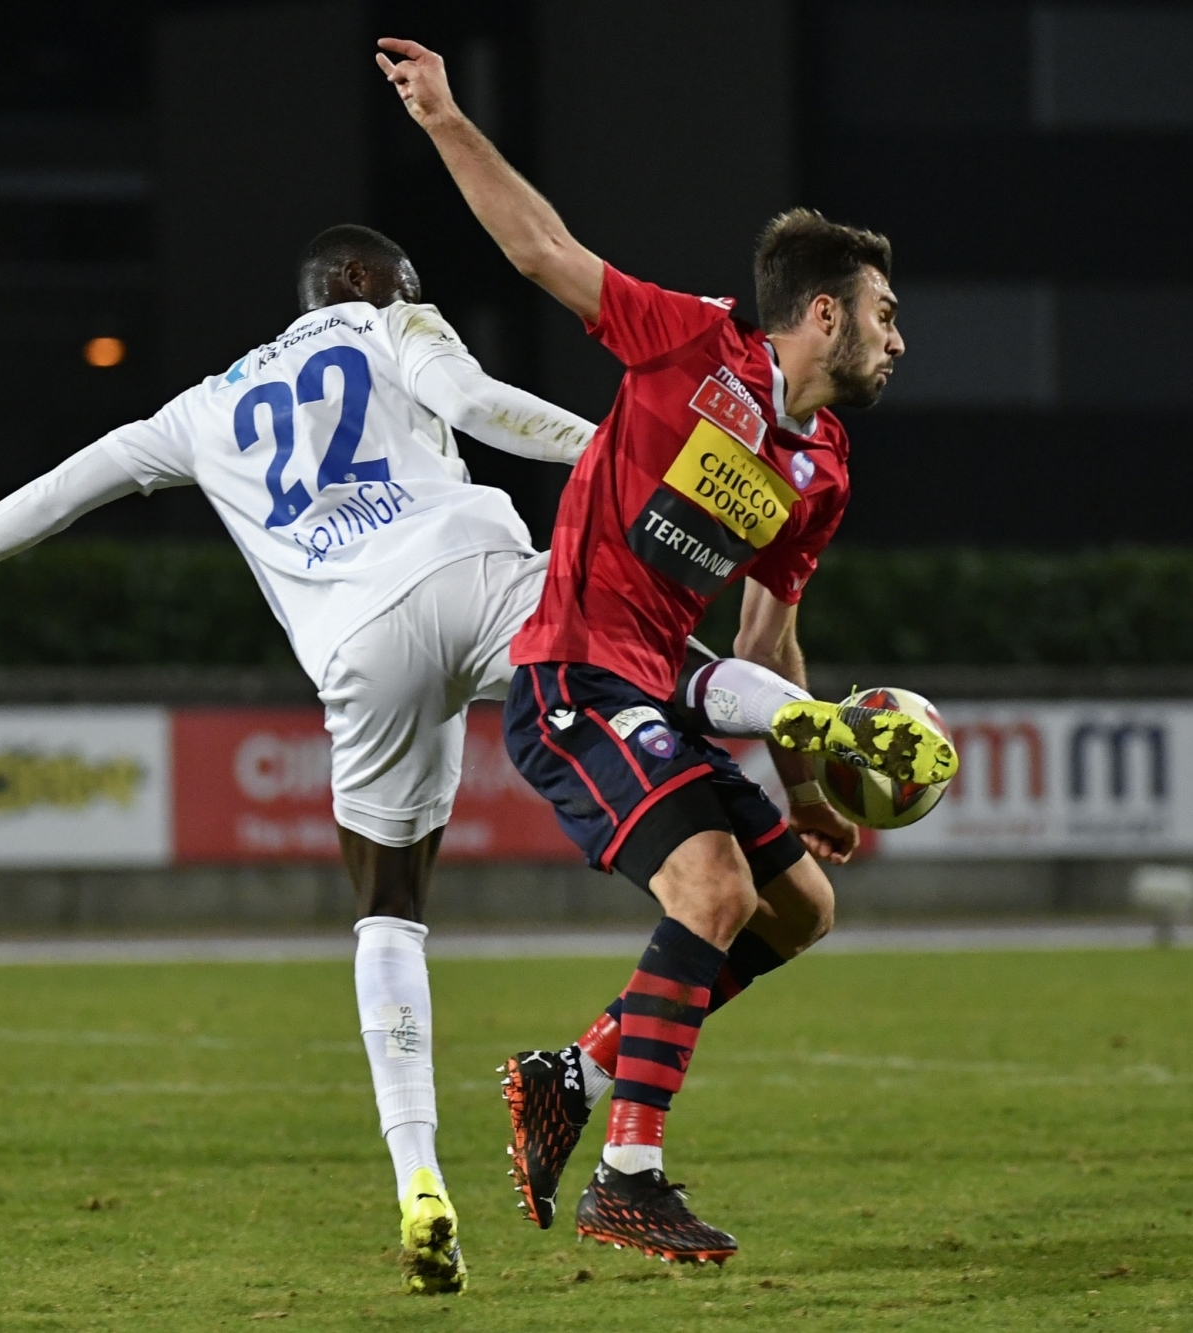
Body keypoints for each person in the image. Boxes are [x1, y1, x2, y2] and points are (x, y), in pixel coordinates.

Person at [0, 224, 602, 1295]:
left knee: (387, 908)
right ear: (361, 280)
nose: (411, 293)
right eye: (404, 280)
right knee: (637, 650)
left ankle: (419, 1178)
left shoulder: (198, 410)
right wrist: (616, 443)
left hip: (358, 652)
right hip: (470, 574)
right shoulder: (390, 323)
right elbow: (476, 407)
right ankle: (806, 722)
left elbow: (63, 488)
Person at [376, 38, 956, 1263]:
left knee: (798, 905)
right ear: (819, 314)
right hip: (575, 677)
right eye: (884, 316)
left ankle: (572, 1079)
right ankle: (627, 1174)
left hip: (669, 687)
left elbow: (769, 632)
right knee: (712, 890)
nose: (898, 340)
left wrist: (801, 791)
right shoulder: (688, 344)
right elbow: (541, 250)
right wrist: (443, 119)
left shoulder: (824, 468)